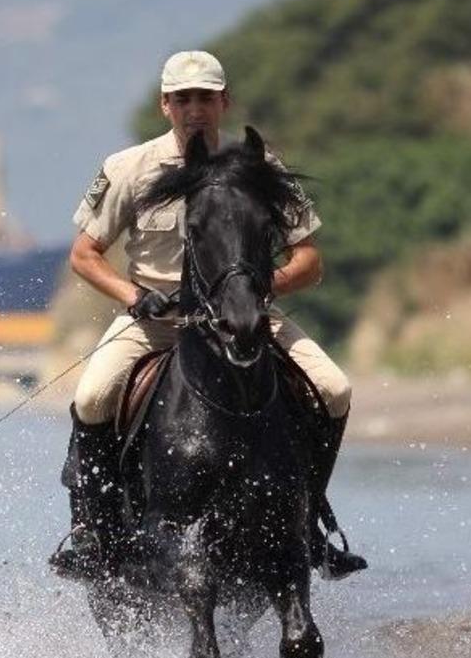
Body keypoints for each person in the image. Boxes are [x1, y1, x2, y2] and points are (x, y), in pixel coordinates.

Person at [50, 50, 366, 582]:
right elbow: (85, 255)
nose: (194, 108)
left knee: (335, 389)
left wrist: (254, 290)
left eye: (204, 97)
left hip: (242, 318)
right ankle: (92, 531)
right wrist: (132, 295)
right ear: (165, 105)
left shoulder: (261, 170)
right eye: (182, 99)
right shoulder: (128, 168)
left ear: (224, 102)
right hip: (156, 320)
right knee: (92, 397)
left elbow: (309, 261)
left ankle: (310, 521)